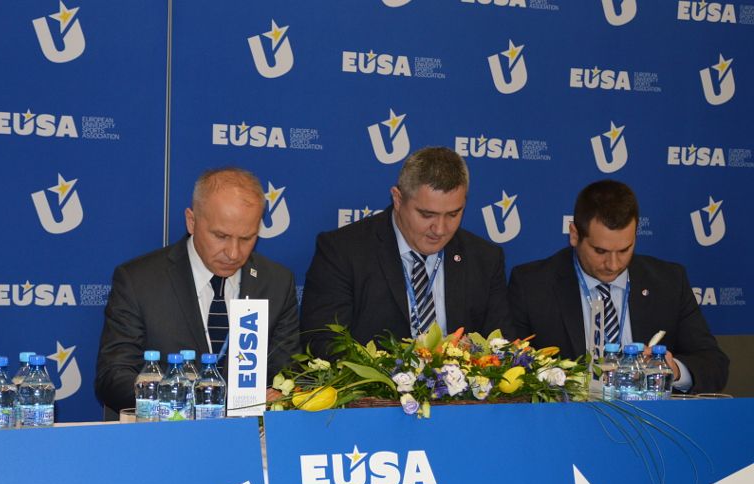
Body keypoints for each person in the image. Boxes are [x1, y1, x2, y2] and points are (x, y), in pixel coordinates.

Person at [95, 167, 300, 414]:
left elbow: (287, 373)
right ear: (191, 221)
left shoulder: (276, 282)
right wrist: (178, 398)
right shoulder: (139, 281)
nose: (234, 253)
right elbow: (113, 377)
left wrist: (281, 394)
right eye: (221, 236)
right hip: (167, 430)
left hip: (248, 432)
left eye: (247, 238)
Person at [508, 179, 728, 393]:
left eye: (624, 250)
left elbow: (713, 364)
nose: (613, 265)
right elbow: (512, 372)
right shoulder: (532, 285)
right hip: (568, 414)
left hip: (648, 415)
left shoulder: (669, 281)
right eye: (600, 251)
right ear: (574, 235)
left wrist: (674, 370)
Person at [300, 146, 511, 356]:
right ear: (398, 199)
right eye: (427, 215)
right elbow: (324, 344)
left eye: (453, 214)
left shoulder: (485, 259)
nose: (440, 229)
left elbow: (502, 347)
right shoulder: (343, 251)